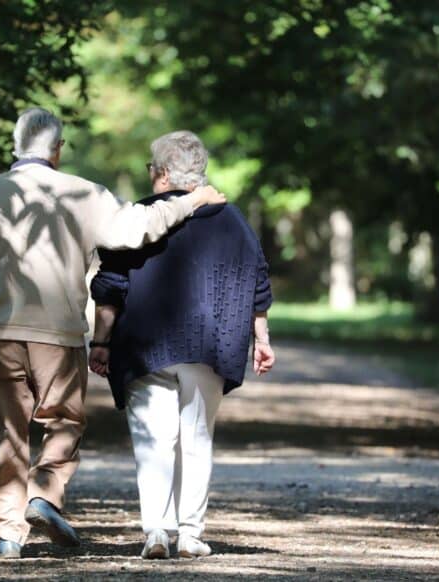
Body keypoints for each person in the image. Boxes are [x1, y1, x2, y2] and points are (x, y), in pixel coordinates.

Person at [0, 108, 226, 559]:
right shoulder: (82, 193)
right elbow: (135, 230)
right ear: (57, 149)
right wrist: (191, 201)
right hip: (59, 334)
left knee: (5, 430)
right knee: (64, 421)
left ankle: (8, 535)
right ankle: (44, 495)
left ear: (17, 145)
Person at [88, 130, 275, 560]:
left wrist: (101, 341)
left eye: (152, 169)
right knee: (196, 437)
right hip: (208, 347)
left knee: (154, 437)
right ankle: (190, 534)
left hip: (143, 346)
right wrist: (261, 338)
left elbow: (110, 287)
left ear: (165, 174)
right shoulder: (232, 219)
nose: (150, 175)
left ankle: (156, 530)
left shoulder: (137, 218)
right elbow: (257, 280)